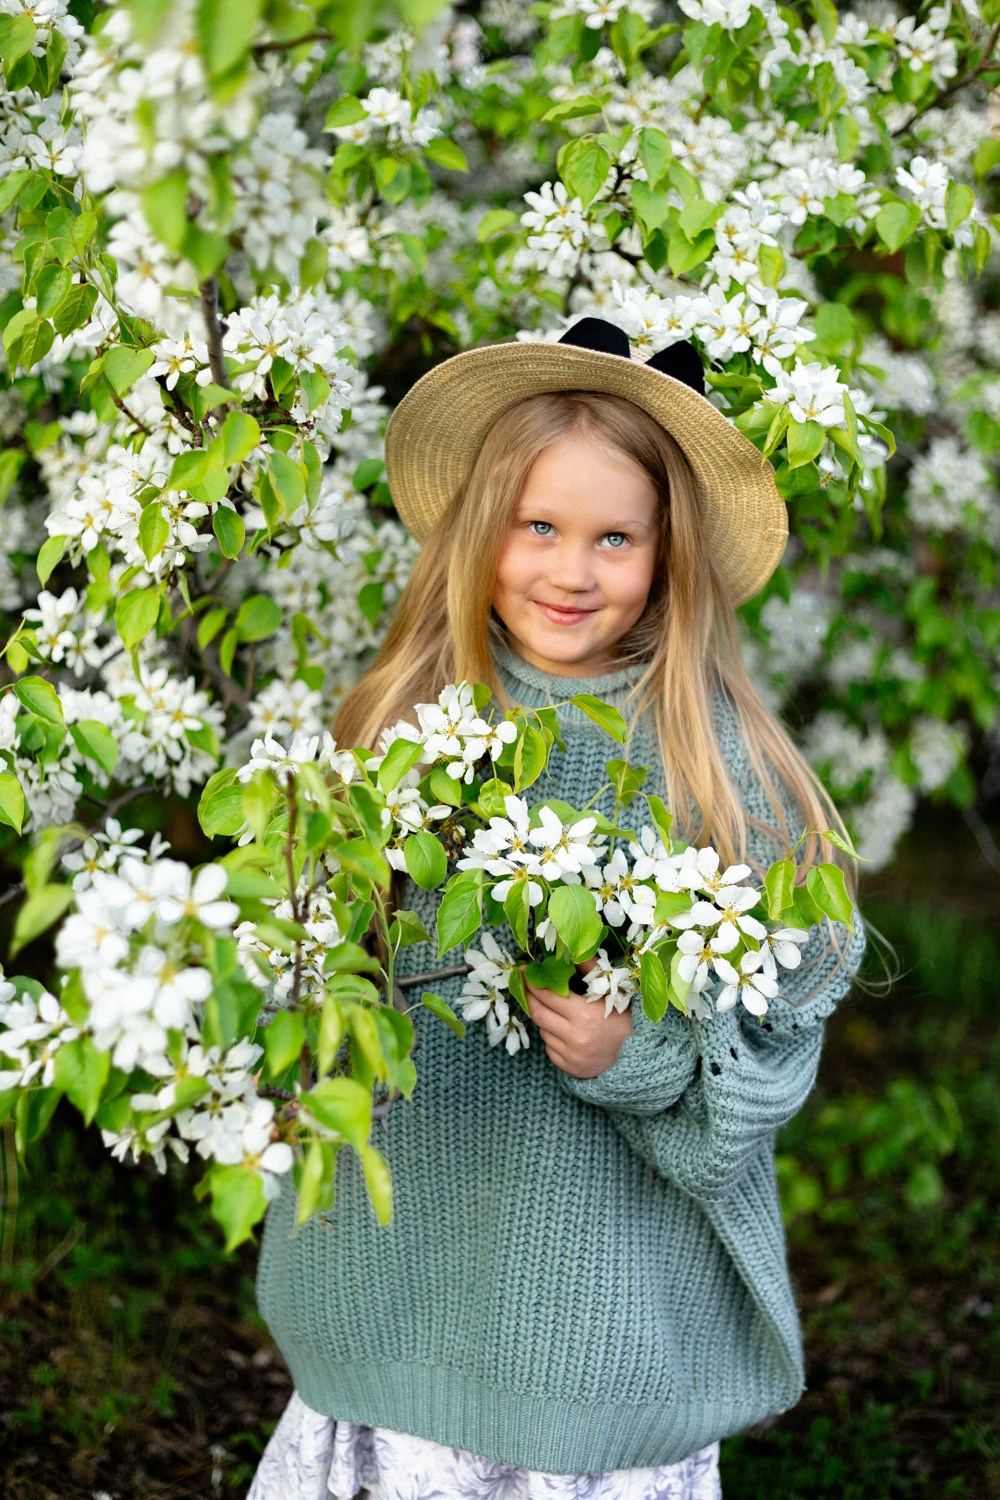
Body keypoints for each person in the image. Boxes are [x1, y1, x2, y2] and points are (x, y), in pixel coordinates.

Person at [249, 318, 866, 1499]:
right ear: (484, 531)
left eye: (614, 539)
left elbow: (776, 1030)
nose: (571, 571)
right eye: (539, 527)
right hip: (404, 1272)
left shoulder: (715, 762)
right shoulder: (408, 723)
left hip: (596, 1308)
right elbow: (311, 951)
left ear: (667, 554)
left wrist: (634, 1056)